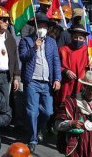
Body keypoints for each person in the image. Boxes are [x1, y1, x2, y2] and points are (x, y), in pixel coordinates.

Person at [18, 12, 61, 149]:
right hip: (32, 81)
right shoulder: (26, 41)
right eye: (40, 25)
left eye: (45, 26)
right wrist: (34, 48)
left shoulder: (52, 42)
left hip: (47, 82)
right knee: (32, 111)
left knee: (48, 111)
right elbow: (23, 57)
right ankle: (33, 139)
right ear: (35, 27)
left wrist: (57, 79)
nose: (42, 28)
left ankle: (37, 129)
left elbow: (56, 61)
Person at [55, 70, 92, 157]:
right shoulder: (71, 102)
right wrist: (71, 123)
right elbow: (58, 124)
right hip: (77, 148)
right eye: (89, 88)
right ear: (83, 87)